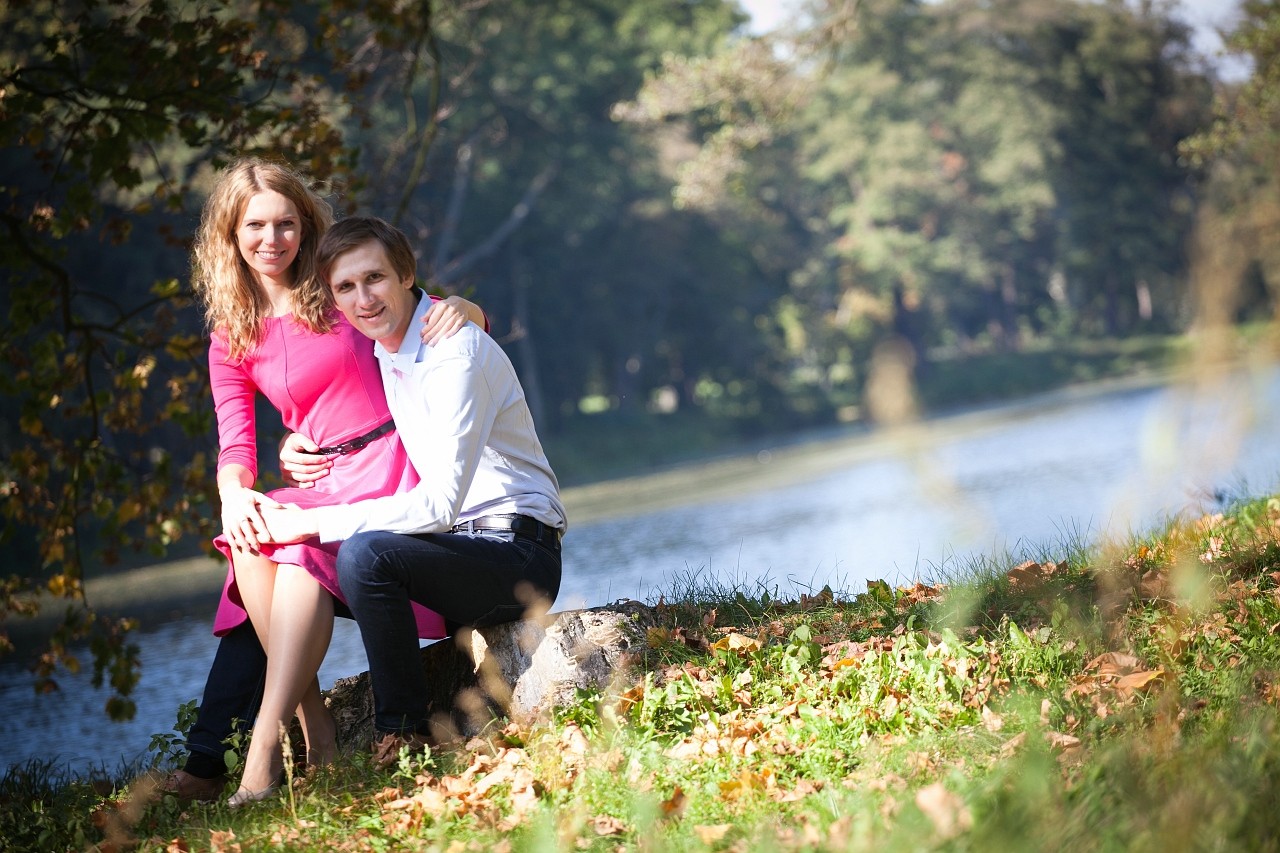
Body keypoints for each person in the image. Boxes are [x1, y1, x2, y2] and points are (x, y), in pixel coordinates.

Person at [162, 158, 487, 804]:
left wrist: (467, 308)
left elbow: (447, 316)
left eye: (286, 222)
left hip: (395, 471)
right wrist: (234, 491)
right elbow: (236, 442)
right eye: (255, 224)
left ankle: (262, 748)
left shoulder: (339, 287)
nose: (272, 238)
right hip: (325, 481)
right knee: (252, 530)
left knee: (297, 545)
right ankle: (317, 729)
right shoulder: (232, 335)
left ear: (306, 225)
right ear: (230, 234)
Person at [257, 215, 565, 775]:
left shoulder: (454, 352)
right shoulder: (385, 350)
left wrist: (315, 524)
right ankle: (277, 735)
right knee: (291, 556)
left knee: (363, 552)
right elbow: (342, 408)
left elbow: (440, 505)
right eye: (344, 288)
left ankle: (400, 736)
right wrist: (296, 441)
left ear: (406, 274)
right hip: (456, 550)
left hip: (518, 555)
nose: (362, 298)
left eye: (373, 278)